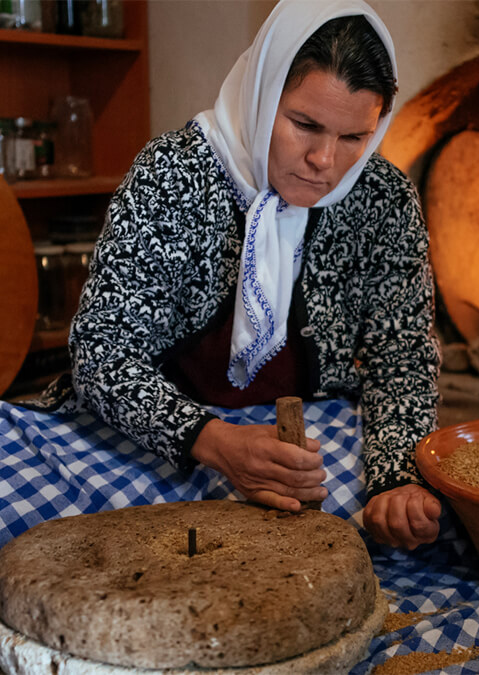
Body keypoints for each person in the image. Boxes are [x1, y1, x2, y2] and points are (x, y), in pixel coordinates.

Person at [69, 0, 442, 550]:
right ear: (263, 94)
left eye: (353, 138)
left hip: (314, 433)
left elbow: (403, 358)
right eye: (304, 125)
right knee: (10, 510)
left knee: (442, 521)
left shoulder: (382, 198)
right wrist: (215, 443)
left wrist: (395, 482)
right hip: (169, 435)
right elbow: (100, 352)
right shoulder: (174, 175)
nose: (324, 160)